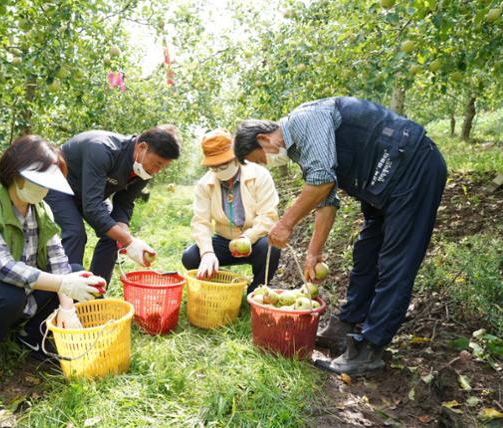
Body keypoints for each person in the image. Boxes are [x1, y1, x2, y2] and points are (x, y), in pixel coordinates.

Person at [233, 97, 447, 374]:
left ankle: (370, 348)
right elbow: (327, 199)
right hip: (382, 186)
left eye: (260, 158)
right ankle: (346, 324)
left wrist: (286, 224)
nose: (266, 163)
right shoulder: (301, 148)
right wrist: (314, 253)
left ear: (264, 138)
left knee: (396, 262)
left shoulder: (305, 119)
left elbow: (321, 181)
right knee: (366, 254)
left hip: (413, 169)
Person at [0, 135, 107, 387]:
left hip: (24, 289)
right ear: (15, 175)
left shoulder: (41, 208)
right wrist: (63, 285)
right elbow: (2, 267)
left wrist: (68, 309)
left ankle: (30, 334)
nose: (43, 190)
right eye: (37, 181)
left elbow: (58, 259)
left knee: (75, 272)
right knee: (9, 294)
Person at [45, 125, 181, 284]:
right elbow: (93, 209)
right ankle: (68, 294)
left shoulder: (144, 170)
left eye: (162, 167)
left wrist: (123, 236)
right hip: (61, 184)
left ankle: (96, 291)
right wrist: (129, 241)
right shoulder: (101, 149)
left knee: (113, 236)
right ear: (142, 147)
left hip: (91, 193)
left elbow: (124, 203)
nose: (156, 171)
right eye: (157, 163)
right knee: (76, 233)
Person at [182, 129, 281, 294]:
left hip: (253, 239)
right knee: (190, 256)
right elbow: (201, 222)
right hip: (223, 240)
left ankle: (255, 292)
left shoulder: (260, 175)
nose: (220, 169)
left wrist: (248, 237)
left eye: (224, 164)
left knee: (271, 247)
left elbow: (268, 216)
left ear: (235, 156)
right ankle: (219, 286)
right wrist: (207, 252)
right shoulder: (204, 184)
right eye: (214, 166)